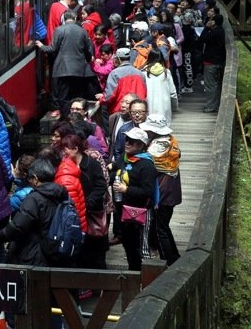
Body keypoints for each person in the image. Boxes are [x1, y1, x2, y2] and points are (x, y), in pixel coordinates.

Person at [0, 159, 70, 329]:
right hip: (54, 252)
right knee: (49, 302)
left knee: (21, 299)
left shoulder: (35, 199)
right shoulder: (61, 193)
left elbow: (16, 227)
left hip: (32, 255)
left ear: (35, 179)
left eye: (30, 179)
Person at [61, 134, 109, 270]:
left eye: (66, 148)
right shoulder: (65, 165)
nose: (64, 152)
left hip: (92, 213)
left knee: (96, 253)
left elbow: (101, 186)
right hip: (75, 214)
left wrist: (87, 202)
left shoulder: (92, 164)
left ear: (76, 149)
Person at [112, 127, 157, 271]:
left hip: (141, 211)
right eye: (127, 140)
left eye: (132, 141)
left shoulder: (146, 165)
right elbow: (116, 169)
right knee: (128, 244)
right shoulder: (124, 159)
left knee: (142, 248)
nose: (127, 143)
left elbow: (148, 191)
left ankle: (145, 281)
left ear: (141, 145)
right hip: (123, 210)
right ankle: (133, 274)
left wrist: (127, 189)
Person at [36, 11, 95, 118]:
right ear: (75, 18)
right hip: (79, 70)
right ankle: (78, 118)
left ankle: (65, 117)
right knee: (76, 95)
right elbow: (87, 52)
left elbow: (52, 49)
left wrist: (41, 45)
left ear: (64, 18)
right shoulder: (82, 31)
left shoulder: (59, 30)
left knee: (63, 96)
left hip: (63, 70)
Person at [140, 114, 182, 266]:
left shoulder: (158, 148)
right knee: (164, 225)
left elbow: (144, 160)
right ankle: (174, 256)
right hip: (171, 190)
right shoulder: (172, 141)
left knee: (160, 230)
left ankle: (167, 261)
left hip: (163, 192)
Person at [197, 14, 226, 113]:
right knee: (214, 85)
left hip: (211, 62)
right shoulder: (220, 31)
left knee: (210, 85)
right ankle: (214, 104)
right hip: (217, 60)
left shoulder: (215, 32)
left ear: (214, 22)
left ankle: (211, 106)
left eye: (211, 20)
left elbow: (201, 39)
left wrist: (206, 28)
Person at [141, 49, 178, 125]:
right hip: (164, 107)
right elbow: (173, 92)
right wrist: (175, 107)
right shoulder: (166, 72)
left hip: (148, 106)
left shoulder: (143, 73)